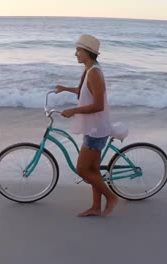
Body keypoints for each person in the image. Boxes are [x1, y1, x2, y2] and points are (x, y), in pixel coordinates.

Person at [55, 34, 118, 217]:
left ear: (87, 52)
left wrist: (74, 111)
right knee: (93, 170)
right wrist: (65, 89)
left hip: (96, 130)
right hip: (93, 127)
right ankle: (96, 207)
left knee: (82, 170)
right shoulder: (89, 70)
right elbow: (84, 91)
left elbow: (98, 105)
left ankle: (111, 197)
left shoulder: (95, 73)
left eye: (78, 50)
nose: (75, 54)